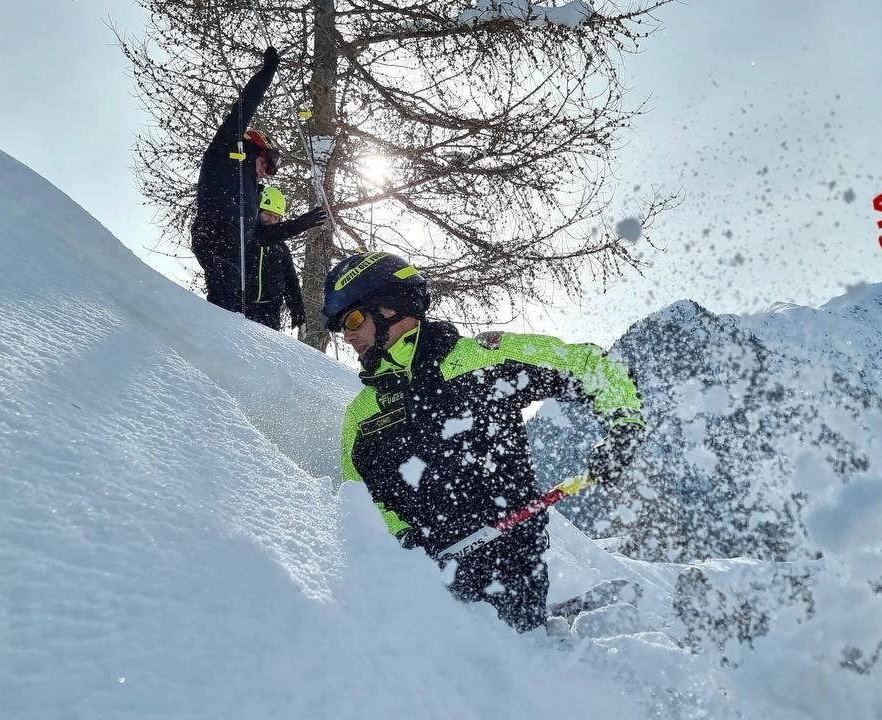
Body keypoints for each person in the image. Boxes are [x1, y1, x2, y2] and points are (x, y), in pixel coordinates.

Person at [326, 252, 646, 632]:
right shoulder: (362, 414)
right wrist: (407, 542)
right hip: (426, 584)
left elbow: (590, 366)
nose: (347, 335)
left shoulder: (481, 361)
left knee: (513, 670)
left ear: (392, 306)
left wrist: (624, 426)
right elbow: (363, 500)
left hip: (511, 563)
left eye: (354, 320)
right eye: (341, 327)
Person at [190, 46, 283, 315]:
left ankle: (226, 343)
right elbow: (245, 106)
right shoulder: (226, 151)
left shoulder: (253, 189)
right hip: (214, 231)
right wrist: (268, 72)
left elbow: (262, 234)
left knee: (237, 306)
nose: (270, 171)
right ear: (256, 149)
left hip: (236, 246)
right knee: (225, 289)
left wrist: (298, 225)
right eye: (270, 161)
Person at [244, 186, 327, 330]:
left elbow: (291, 282)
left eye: (276, 217)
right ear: (256, 212)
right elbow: (262, 236)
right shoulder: (246, 235)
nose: (271, 220)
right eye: (267, 214)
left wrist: (298, 313)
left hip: (270, 312)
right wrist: (299, 225)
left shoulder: (281, 248)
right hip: (242, 305)